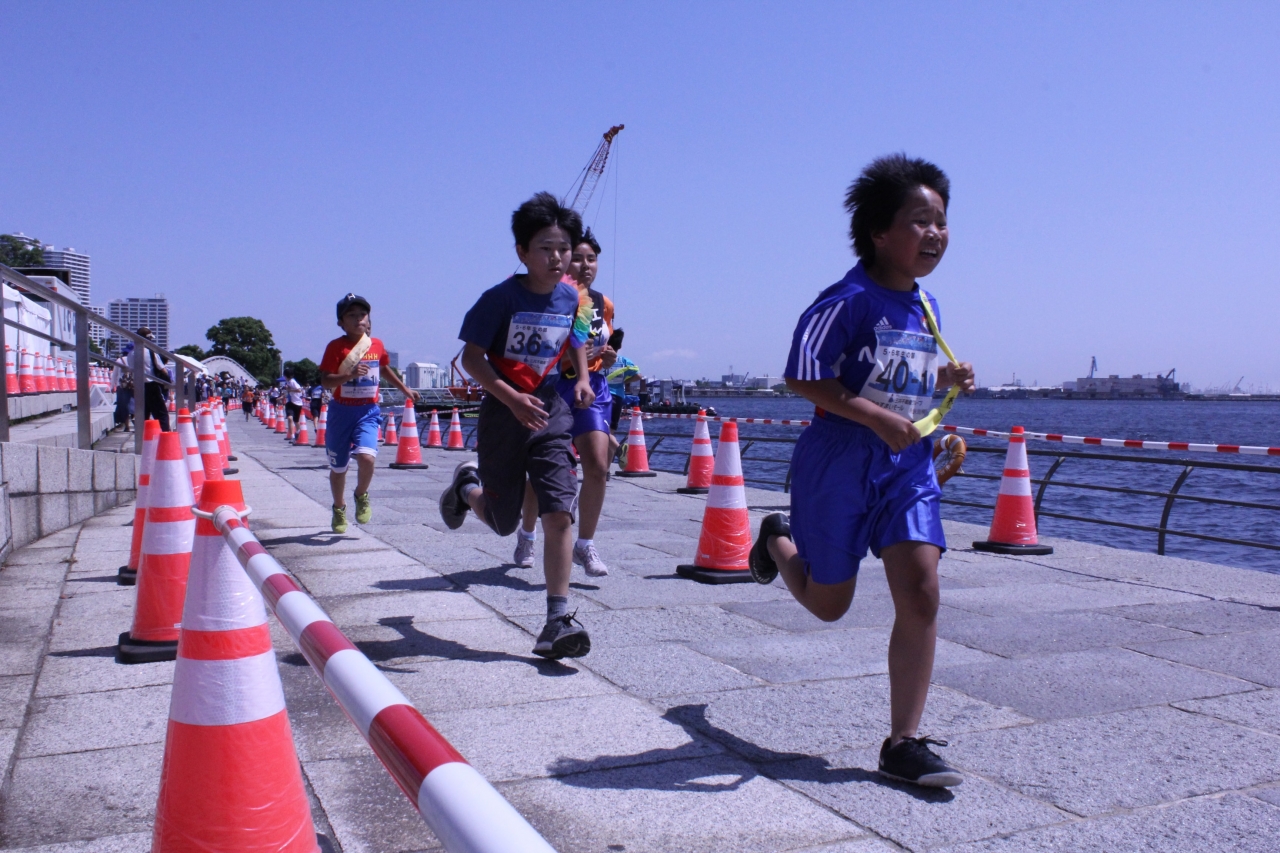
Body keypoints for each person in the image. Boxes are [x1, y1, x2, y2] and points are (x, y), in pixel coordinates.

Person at [749, 155, 975, 788]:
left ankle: (904, 742)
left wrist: (944, 378)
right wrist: (874, 418)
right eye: (920, 221)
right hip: (839, 460)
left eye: (942, 221)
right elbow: (802, 376)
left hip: (906, 463)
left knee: (922, 590)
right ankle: (776, 537)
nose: (935, 233)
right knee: (829, 604)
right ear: (878, 232)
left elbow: (901, 376)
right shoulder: (844, 301)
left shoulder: (926, 305)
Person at [439, 192, 595, 660]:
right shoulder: (499, 299)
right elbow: (471, 358)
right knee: (504, 522)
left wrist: (582, 378)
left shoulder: (570, 297)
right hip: (504, 413)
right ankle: (466, 488)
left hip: (550, 412)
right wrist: (510, 398)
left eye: (564, 248)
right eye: (546, 248)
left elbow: (574, 338)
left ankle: (556, 620)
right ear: (522, 252)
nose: (557, 258)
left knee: (559, 510)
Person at [514, 228, 616, 575]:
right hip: (553, 388)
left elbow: (598, 347)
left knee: (598, 465)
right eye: (580, 258)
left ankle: (584, 545)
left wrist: (605, 358)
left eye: (592, 259)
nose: (586, 265)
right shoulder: (550, 298)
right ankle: (527, 534)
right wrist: (573, 357)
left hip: (591, 389)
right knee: (542, 471)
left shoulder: (603, 303)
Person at [319, 293, 419, 533]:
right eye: (351, 315)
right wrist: (350, 375)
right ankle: (339, 507)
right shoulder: (335, 347)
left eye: (362, 314)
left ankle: (361, 494)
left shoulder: (377, 345)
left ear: (369, 319)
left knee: (367, 457)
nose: (358, 319)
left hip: (368, 410)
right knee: (339, 468)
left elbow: (383, 368)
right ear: (340, 322)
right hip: (341, 411)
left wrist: (404, 389)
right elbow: (325, 381)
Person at [604, 328, 641, 433]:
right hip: (617, 396)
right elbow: (638, 375)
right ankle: (612, 442)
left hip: (600, 395)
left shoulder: (598, 360)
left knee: (598, 427)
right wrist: (625, 381)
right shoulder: (623, 361)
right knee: (612, 428)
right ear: (620, 346)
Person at [137, 327, 170, 432]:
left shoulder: (132, 352)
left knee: (143, 413)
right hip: (151, 384)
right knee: (161, 413)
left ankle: (142, 436)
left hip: (138, 386)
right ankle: (165, 434)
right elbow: (162, 368)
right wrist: (168, 381)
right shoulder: (151, 352)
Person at [113, 343, 135, 432]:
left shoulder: (119, 360)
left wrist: (112, 386)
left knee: (123, 406)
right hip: (134, 385)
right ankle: (136, 423)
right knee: (134, 405)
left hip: (122, 386)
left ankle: (127, 426)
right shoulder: (136, 359)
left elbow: (115, 374)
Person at [283, 368, 305, 441]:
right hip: (290, 402)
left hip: (298, 403)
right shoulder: (288, 382)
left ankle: (298, 431)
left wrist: (290, 390)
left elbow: (299, 390)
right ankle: (292, 436)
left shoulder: (293, 381)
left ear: (286, 375)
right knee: (290, 418)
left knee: (296, 421)